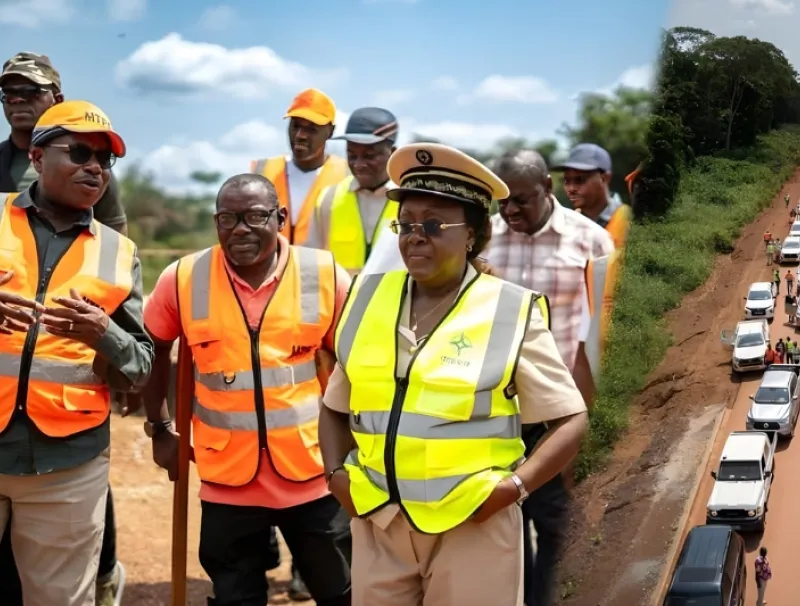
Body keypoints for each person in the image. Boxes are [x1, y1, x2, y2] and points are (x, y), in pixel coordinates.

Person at [318, 142, 588, 606]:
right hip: (380, 521)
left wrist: (514, 489)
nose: (414, 236)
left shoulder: (510, 310)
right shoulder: (365, 298)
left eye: (432, 224)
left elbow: (570, 419)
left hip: (472, 525)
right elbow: (335, 407)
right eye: (405, 225)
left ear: (472, 235)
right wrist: (334, 476)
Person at [134, 173, 353, 606]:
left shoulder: (323, 273)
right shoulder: (183, 278)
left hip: (314, 474)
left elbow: (354, 361)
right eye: (227, 218)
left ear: (280, 218)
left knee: (342, 592)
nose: (240, 229)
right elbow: (154, 348)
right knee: (235, 597)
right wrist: (160, 429)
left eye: (255, 216)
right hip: (227, 478)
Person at [0, 100, 153, 606]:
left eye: (105, 161)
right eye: (81, 152)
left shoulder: (118, 253)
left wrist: (103, 334)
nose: (95, 167)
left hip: (66, 467)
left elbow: (140, 365)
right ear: (38, 158)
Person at [487, 149, 614, 606]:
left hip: (557, 413)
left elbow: (602, 331)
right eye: (501, 202)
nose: (509, 212)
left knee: (556, 521)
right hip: (495, 412)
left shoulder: (591, 241)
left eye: (520, 200)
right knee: (504, 525)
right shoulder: (486, 241)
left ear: (547, 187)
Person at [250, 88, 349, 248]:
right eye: (295, 126)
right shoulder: (262, 171)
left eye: (311, 129)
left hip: (322, 270)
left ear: (330, 132)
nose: (300, 135)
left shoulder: (347, 175)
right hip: (272, 269)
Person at [314, 107, 400, 275]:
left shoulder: (411, 200)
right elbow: (313, 266)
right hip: (342, 301)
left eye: (369, 156)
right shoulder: (327, 200)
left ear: (393, 153)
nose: (359, 165)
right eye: (352, 155)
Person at [550, 143, 631, 250]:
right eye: (567, 181)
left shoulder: (631, 222)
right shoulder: (566, 225)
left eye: (580, 180)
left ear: (605, 178)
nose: (571, 188)